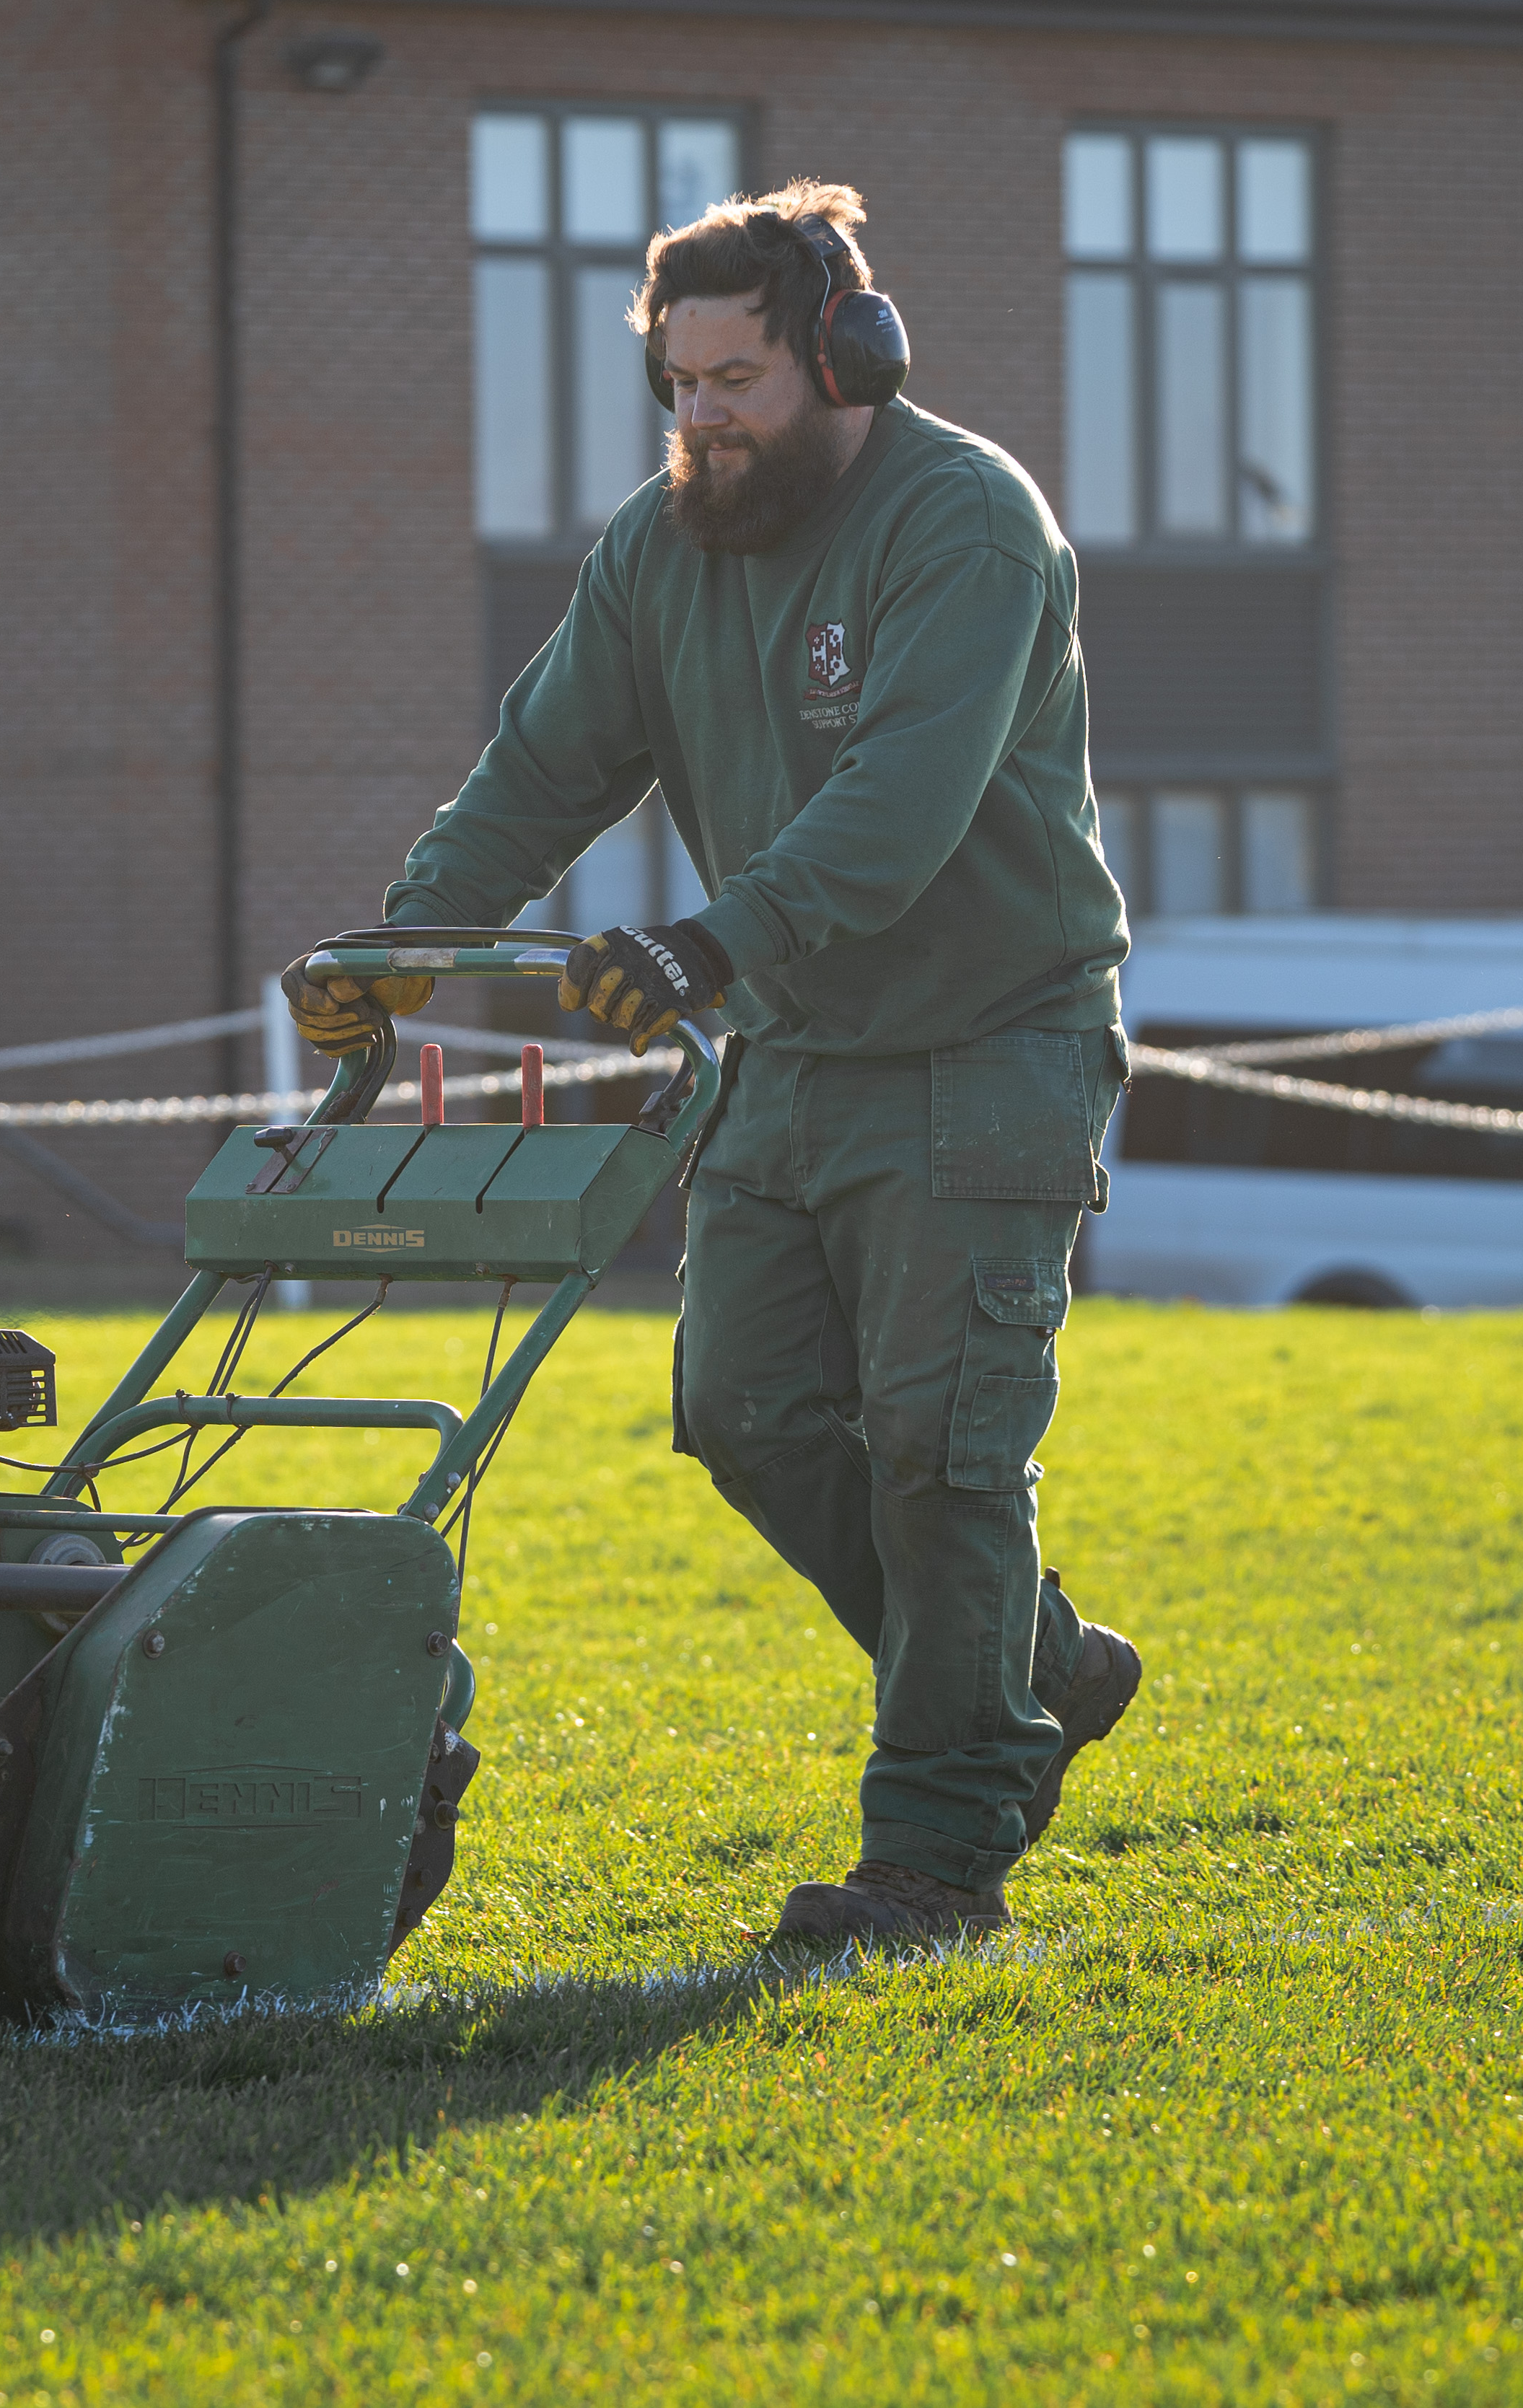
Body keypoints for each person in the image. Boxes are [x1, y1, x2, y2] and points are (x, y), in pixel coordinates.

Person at [284, 180, 1142, 1948]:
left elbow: (897, 809)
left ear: (845, 355)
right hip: (794, 1053)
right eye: (677, 386)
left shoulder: (966, 527)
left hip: (991, 1048)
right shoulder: (659, 549)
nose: (702, 419)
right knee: (742, 1413)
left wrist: (698, 946)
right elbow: (539, 769)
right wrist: (396, 951)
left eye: (735, 379)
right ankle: (1033, 1661)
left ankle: (937, 1853)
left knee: (940, 1447)